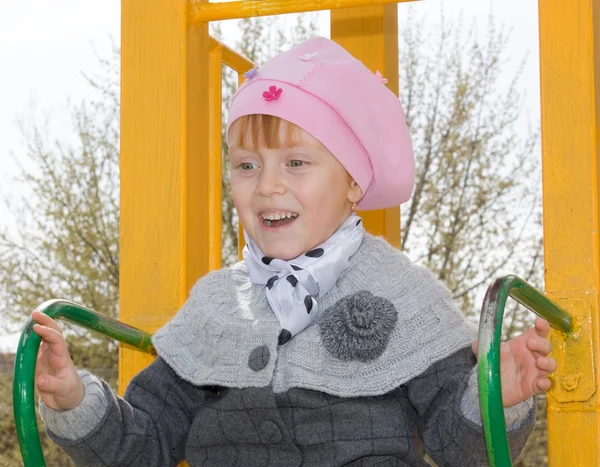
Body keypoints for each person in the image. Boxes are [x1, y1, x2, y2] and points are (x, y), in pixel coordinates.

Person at [32, 36, 556, 466]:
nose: (267, 187)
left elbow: (457, 447)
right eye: (246, 166)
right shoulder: (215, 305)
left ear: (353, 183)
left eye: (297, 163)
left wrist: (496, 396)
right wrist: (76, 401)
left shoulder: (407, 298)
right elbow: (148, 444)